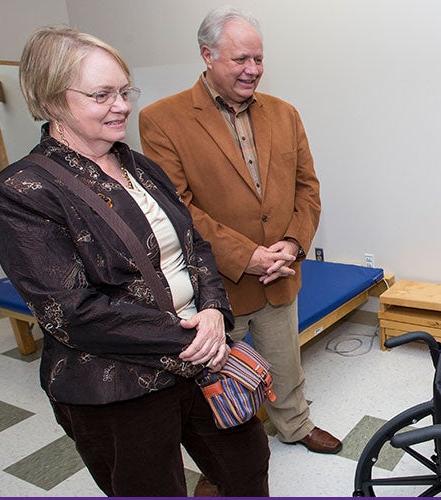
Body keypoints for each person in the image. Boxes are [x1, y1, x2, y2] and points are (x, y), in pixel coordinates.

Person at [0, 26, 269, 497]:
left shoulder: (137, 164)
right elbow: (70, 312)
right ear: (53, 101)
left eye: (123, 90)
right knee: (150, 487)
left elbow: (194, 243)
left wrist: (216, 311)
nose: (123, 105)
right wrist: (192, 334)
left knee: (247, 462)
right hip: (117, 384)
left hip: (201, 353)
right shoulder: (22, 192)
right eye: (102, 95)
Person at [138, 6, 340, 468]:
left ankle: (296, 423)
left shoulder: (285, 114)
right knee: (214, 376)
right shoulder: (162, 119)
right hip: (216, 282)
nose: (253, 70)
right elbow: (177, 206)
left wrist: (291, 243)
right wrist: (245, 255)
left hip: (280, 272)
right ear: (207, 55)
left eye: (259, 59)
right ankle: (220, 461)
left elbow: (308, 187)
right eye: (240, 60)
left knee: (285, 361)